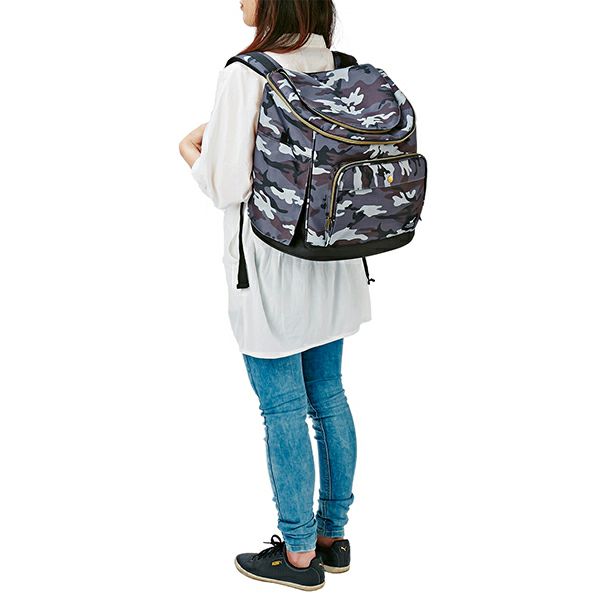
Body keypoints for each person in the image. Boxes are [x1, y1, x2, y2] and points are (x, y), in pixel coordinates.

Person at [179, 0, 370, 591]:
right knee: (328, 397)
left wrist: (189, 148)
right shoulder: (338, 64)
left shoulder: (248, 72)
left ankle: (297, 554)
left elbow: (226, 184)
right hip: (334, 261)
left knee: (282, 407)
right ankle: (332, 537)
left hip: (270, 268)